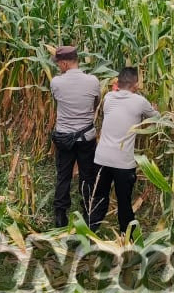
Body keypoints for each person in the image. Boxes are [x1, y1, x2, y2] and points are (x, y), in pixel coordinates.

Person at [89, 67, 159, 233]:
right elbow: (158, 118)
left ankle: (89, 233)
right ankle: (126, 237)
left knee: (99, 199)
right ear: (135, 85)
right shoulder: (140, 101)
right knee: (124, 202)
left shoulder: (108, 97)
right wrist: (154, 108)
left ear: (118, 83)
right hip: (123, 163)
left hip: (101, 159)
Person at [49, 45, 101, 228]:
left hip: (64, 137)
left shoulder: (56, 82)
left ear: (64, 63)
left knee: (63, 176)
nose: (58, 67)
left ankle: (60, 217)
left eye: (59, 64)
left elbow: (58, 101)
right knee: (88, 176)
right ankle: (89, 215)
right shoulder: (93, 81)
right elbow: (95, 104)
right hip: (86, 137)